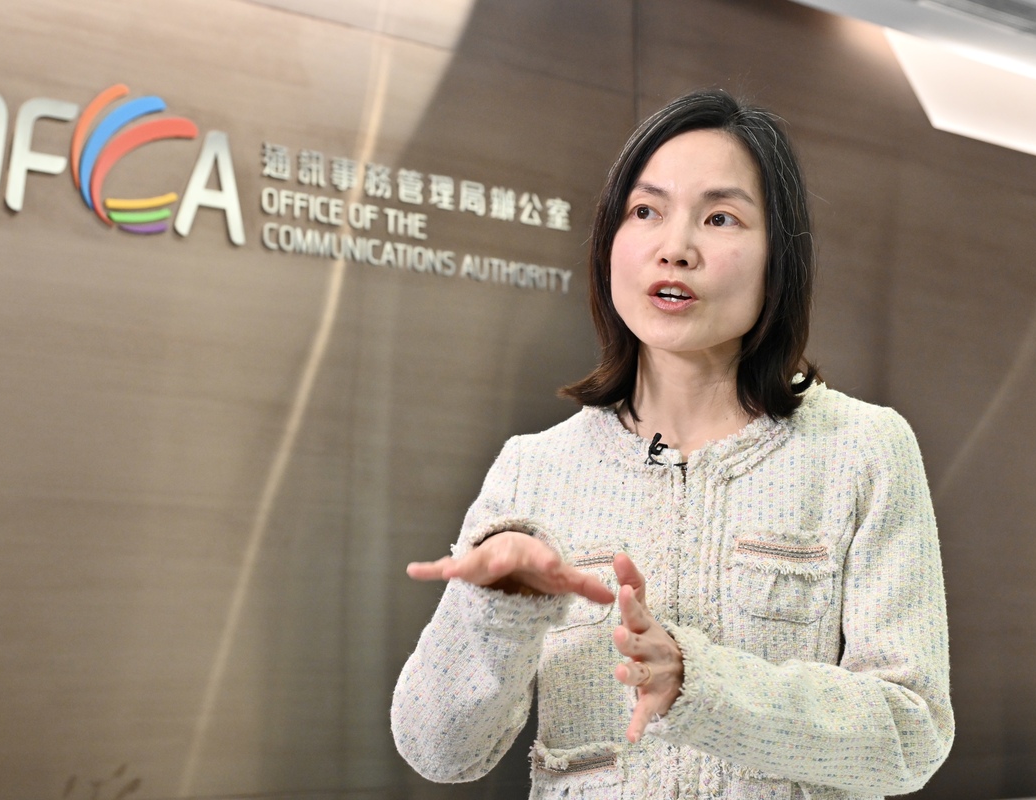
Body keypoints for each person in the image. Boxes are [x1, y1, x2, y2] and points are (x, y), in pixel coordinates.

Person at [390, 89, 953, 799]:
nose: (675, 248)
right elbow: (438, 752)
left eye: (720, 218)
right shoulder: (533, 470)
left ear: (779, 256)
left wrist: (700, 683)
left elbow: (911, 732)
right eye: (645, 211)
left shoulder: (862, 449)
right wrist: (497, 610)